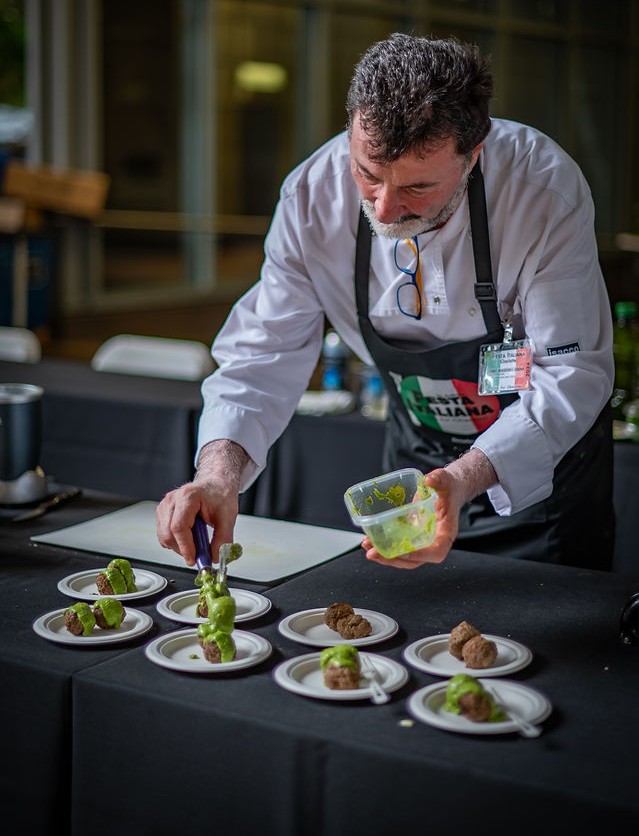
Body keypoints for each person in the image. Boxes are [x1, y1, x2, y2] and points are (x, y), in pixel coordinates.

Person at [156, 33, 615, 572]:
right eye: (368, 174)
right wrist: (217, 477)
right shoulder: (311, 199)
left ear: (473, 155)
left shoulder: (541, 189)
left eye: (417, 188)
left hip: (543, 488)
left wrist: (460, 480)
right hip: (413, 479)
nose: (384, 209)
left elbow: (570, 373)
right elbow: (262, 357)